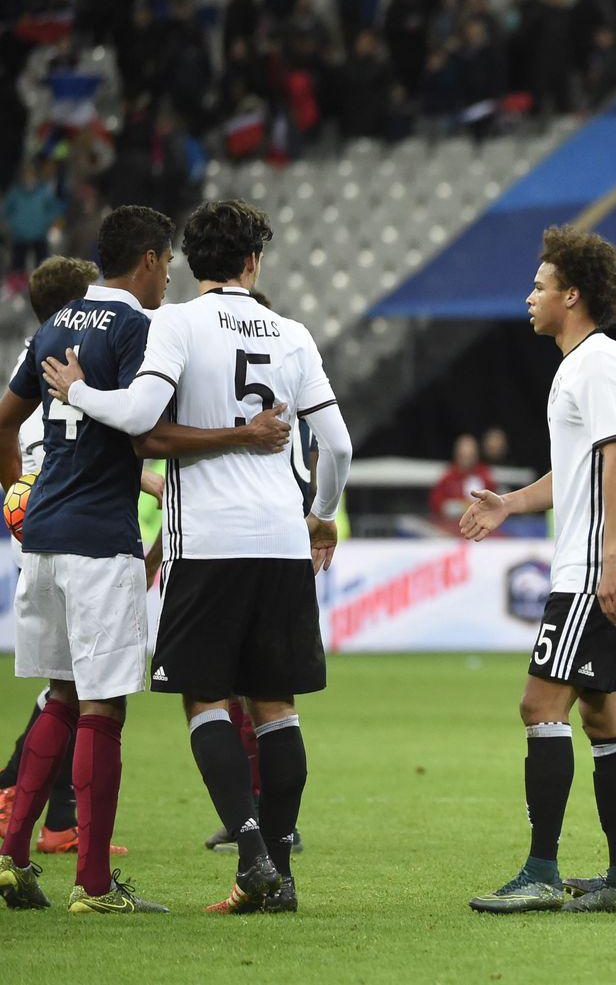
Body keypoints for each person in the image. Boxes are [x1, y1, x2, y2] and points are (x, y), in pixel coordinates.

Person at [43, 199, 353, 915]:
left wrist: (78, 389)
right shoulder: (293, 333)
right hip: (281, 538)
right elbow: (336, 444)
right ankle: (278, 876)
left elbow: (139, 419)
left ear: (191, 260)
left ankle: (250, 853)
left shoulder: (175, 324)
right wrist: (321, 515)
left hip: (207, 541)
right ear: (253, 262)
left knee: (206, 696)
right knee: (275, 704)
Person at [461, 229, 616, 915]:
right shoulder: (582, 364)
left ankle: (541, 871)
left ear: (571, 295)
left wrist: (608, 556)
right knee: (605, 715)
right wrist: (510, 503)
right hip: (607, 563)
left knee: (539, 706)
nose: (530, 296)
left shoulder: (595, 363)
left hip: (595, 570)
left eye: (540, 285)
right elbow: (579, 471)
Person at [0, 208, 184, 914]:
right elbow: (142, 424)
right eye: (167, 263)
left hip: (43, 531)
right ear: (147, 259)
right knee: (103, 707)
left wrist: (19, 492)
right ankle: (96, 885)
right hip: (100, 537)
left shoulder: (54, 324)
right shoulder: (138, 327)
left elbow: (4, 419)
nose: (168, 278)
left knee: (61, 695)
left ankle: (12, 857)